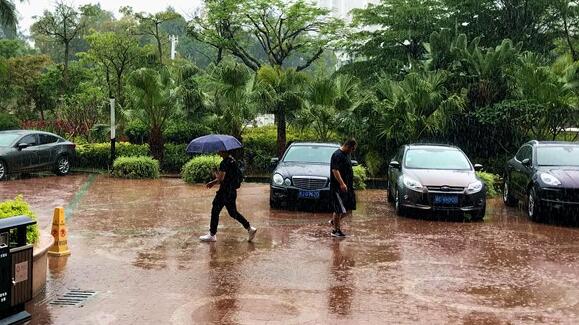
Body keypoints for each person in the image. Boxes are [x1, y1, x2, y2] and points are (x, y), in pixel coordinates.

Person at [199, 150, 257, 242]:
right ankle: (250, 228)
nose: (218, 152)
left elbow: (221, 179)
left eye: (220, 150)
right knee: (233, 212)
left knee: (215, 210)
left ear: (224, 151)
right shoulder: (232, 161)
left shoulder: (224, 163)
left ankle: (212, 235)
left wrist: (213, 179)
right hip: (232, 191)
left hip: (224, 192)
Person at [329, 139, 357, 238]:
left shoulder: (347, 154)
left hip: (348, 186)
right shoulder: (337, 155)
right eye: (352, 149)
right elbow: (335, 170)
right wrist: (341, 183)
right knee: (339, 210)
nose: (352, 151)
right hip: (338, 187)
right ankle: (336, 231)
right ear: (348, 146)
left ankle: (334, 221)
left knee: (349, 208)